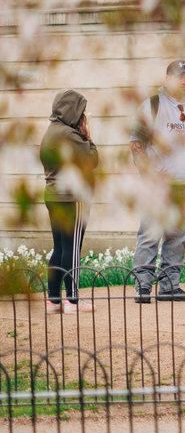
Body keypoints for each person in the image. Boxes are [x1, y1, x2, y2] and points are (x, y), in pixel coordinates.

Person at [130, 59, 185, 303]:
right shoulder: (152, 106)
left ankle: (169, 287)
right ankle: (142, 288)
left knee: (178, 239)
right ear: (167, 79)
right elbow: (136, 143)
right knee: (150, 236)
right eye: (180, 76)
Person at [40, 90, 99, 313]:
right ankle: (72, 301)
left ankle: (54, 300)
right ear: (72, 110)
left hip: (53, 195)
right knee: (72, 249)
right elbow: (92, 159)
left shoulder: (51, 131)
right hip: (72, 198)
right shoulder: (69, 134)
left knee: (59, 248)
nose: (83, 115)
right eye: (81, 111)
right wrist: (88, 136)